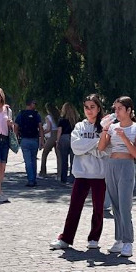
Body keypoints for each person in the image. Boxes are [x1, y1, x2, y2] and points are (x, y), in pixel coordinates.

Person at [50, 95, 109, 250]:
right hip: (81, 174)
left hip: (99, 174)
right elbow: (76, 148)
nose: (89, 110)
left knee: (98, 208)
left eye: (92, 107)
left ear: (98, 108)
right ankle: (66, 239)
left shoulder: (105, 127)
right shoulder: (79, 127)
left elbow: (105, 150)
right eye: (86, 107)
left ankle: (94, 238)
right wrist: (96, 144)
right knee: (74, 207)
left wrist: (89, 147)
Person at [97, 97, 136, 258]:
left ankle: (128, 242)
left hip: (126, 166)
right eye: (115, 108)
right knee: (115, 205)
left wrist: (124, 137)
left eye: (119, 108)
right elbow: (101, 148)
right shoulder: (113, 127)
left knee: (125, 205)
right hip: (111, 164)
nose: (116, 112)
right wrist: (105, 130)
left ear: (129, 110)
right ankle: (118, 239)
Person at [15, 98, 44, 187]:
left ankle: (31, 179)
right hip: (34, 139)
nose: (35, 105)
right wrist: (41, 139)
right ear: (30, 104)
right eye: (34, 103)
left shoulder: (21, 114)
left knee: (28, 161)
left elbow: (16, 126)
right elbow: (40, 128)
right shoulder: (36, 115)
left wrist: (15, 138)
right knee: (33, 159)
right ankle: (33, 179)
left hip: (25, 139)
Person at [57, 102, 79, 184]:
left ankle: (63, 178)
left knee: (64, 159)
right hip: (74, 138)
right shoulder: (76, 120)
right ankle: (73, 177)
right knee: (73, 159)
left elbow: (60, 131)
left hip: (64, 138)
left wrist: (57, 141)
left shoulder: (62, 119)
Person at [40, 103, 59, 176]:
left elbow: (49, 128)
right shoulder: (58, 116)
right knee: (58, 155)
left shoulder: (48, 117)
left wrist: (42, 132)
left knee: (45, 153)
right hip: (59, 134)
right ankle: (60, 172)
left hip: (53, 135)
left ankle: (43, 171)